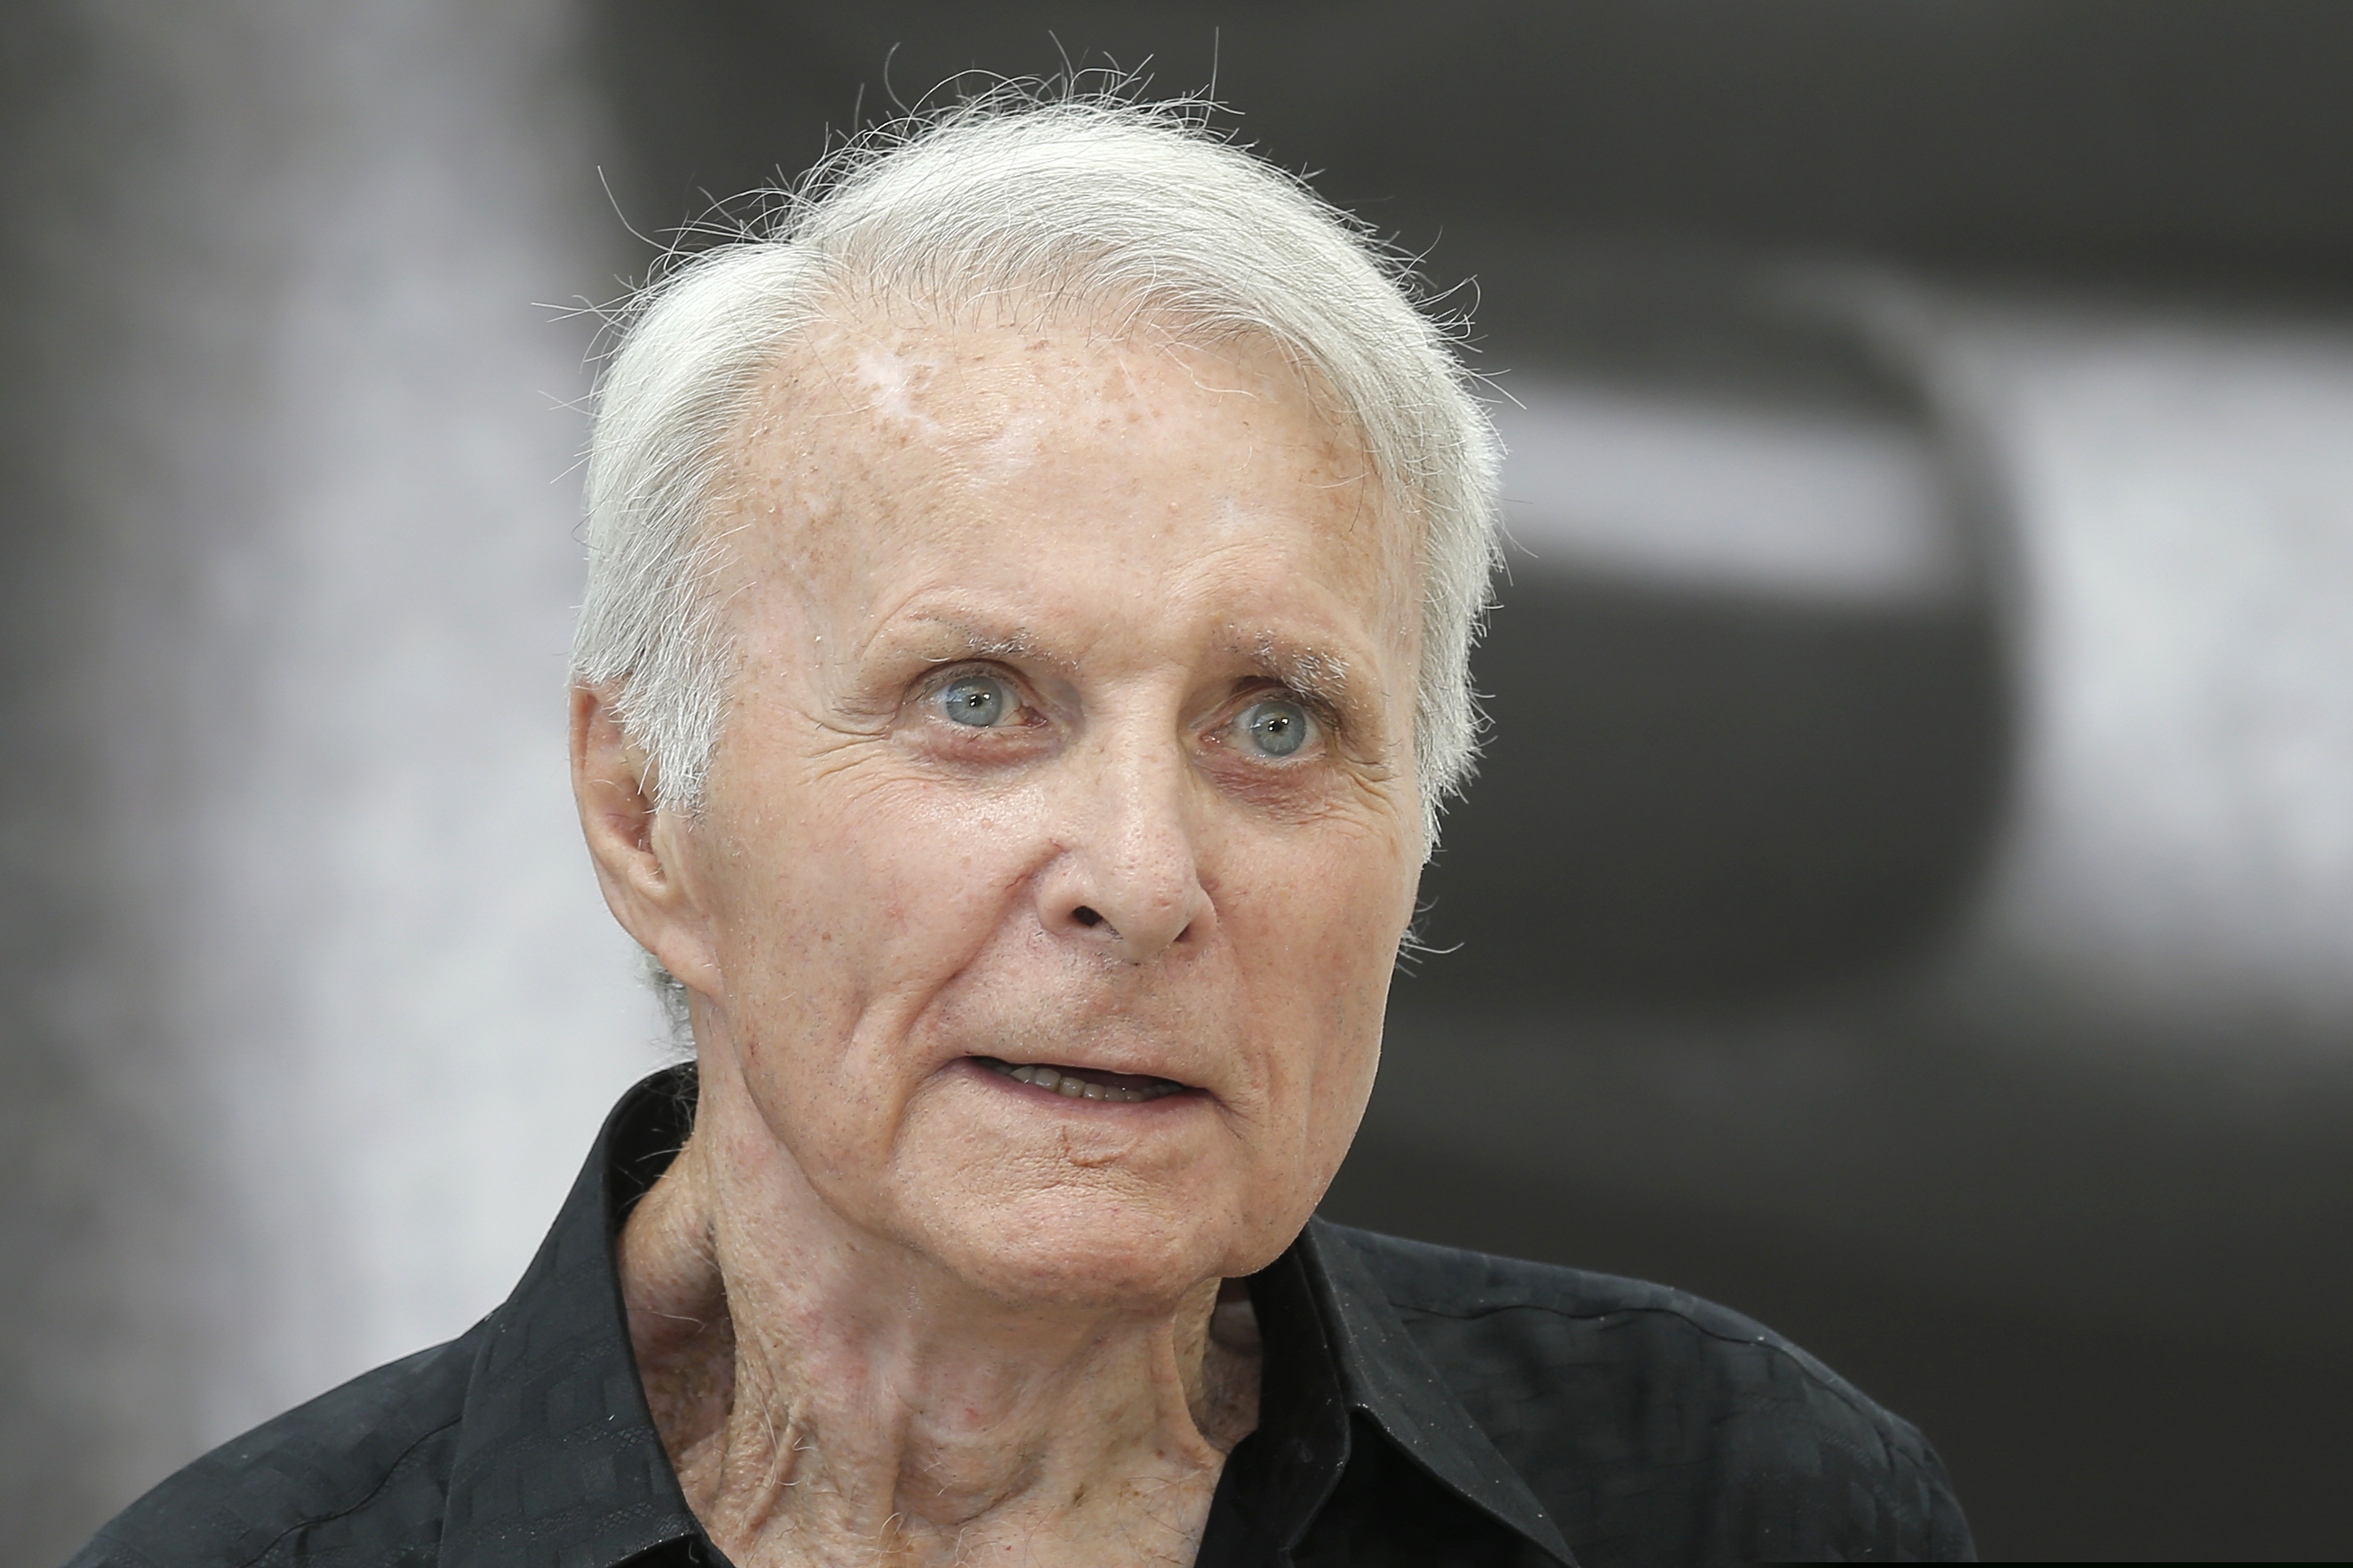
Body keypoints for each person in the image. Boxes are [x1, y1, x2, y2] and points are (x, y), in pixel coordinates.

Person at [72, 97, 1971, 1567]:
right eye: (976, 702)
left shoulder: (1732, 1498)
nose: (1141, 880)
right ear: (648, 813)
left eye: (1277, 721)